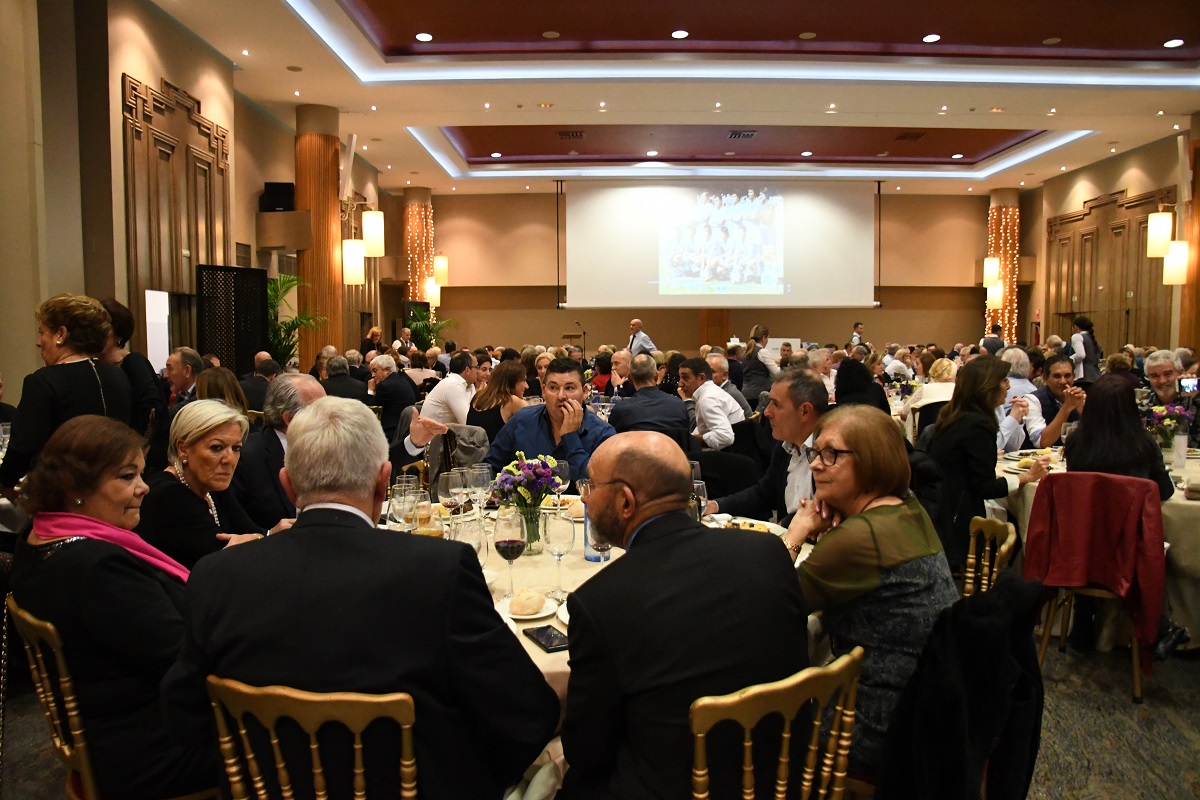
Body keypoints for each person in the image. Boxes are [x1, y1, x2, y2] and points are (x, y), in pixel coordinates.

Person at [162, 397, 559, 798]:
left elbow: (185, 720)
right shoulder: (440, 570)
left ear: (288, 484)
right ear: (384, 481)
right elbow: (528, 714)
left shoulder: (215, 576)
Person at [563, 432, 810, 798]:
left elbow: (586, 750)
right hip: (784, 775)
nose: (584, 497)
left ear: (626, 501)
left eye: (590, 486)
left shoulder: (600, 601)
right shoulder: (769, 551)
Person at [10, 416, 221, 799]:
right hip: (146, 749)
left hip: (109, 728)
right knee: (298, 738)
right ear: (75, 486)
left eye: (140, 474)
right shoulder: (96, 568)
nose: (144, 488)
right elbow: (184, 659)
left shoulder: (38, 537)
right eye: (127, 477)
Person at [780, 405, 958, 774]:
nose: (816, 465)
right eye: (816, 452)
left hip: (879, 723)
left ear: (872, 461)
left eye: (831, 454)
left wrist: (797, 532)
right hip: (932, 707)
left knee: (761, 721)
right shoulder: (908, 507)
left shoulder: (860, 536)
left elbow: (771, 602)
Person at [0, 293, 133, 492]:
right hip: (112, 491)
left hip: (64, 495)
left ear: (61, 334)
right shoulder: (118, 377)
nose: (38, 341)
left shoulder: (43, 382)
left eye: (42, 332)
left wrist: (4, 482)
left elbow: (23, 449)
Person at [924, 356, 1048, 568]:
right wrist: (1025, 477)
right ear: (988, 387)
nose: (1008, 386)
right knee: (1022, 530)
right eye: (1004, 380)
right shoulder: (978, 425)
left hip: (941, 512)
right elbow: (985, 487)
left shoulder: (954, 415)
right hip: (960, 525)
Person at [135, 400, 283, 568]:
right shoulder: (168, 495)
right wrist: (261, 538)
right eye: (216, 448)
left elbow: (247, 531)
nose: (229, 460)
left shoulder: (211, 483)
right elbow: (226, 558)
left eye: (236, 448)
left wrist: (270, 533)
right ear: (183, 449)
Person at [706, 369, 826, 523]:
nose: (767, 412)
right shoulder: (786, 447)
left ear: (805, 411)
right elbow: (764, 493)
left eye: (776, 404)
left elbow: (826, 513)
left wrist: (786, 525)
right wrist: (716, 505)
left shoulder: (830, 455)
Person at [485, 358, 615, 480]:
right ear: (543, 390)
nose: (561, 396)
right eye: (553, 388)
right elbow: (489, 469)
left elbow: (596, 483)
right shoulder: (522, 420)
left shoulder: (602, 433)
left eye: (569, 388)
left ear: (585, 391)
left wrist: (570, 436)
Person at [232, 374, 326, 530]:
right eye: (319, 411)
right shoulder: (245, 456)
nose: (329, 416)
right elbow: (233, 522)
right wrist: (269, 535)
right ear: (289, 418)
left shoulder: (332, 449)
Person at [98, 297, 163, 442]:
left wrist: (139, 446)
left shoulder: (133, 362)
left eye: (104, 329)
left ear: (118, 334)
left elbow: (152, 410)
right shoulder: (96, 367)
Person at [606, 354, 690, 445]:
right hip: (673, 452)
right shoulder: (679, 405)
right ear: (656, 376)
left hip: (637, 453)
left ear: (630, 378)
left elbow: (611, 442)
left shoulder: (621, 409)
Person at [677, 357, 745, 450]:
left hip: (729, 452)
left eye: (685, 378)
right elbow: (702, 429)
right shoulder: (709, 392)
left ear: (701, 378)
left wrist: (691, 440)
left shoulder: (708, 398)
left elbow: (725, 437)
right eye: (680, 378)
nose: (680, 384)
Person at [1021, 354, 1085, 448]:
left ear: (1074, 377)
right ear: (1045, 378)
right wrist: (1066, 407)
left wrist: (1084, 412)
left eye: (1067, 376)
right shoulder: (1033, 400)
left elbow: (1097, 438)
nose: (1063, 381)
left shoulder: (1082, 399)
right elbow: (1042, 442)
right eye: (1057, 376)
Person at [467, 359, 528, 443]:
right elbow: (532, 424)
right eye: (523, 381)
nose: (526, 386)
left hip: (473, 450)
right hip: (495, 450)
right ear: (512, 382)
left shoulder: (478, 396)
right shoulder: (511, 401)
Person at [899, 357, 957, 441]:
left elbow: (904, 412)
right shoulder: (960, 390)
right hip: (956, 439)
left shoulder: (925, 389)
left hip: (927, 441)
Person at [422, 351, 480, 426]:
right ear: (467, 370)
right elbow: (468, 422)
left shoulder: (469, 385)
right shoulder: (453, 385)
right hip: (432, 432)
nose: (478, 371)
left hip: (446, 431)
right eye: (477, 367)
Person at [368, 353, 418, 440]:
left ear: (387, 370)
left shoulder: (385, 386)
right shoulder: (403, 380)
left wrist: (370, 390)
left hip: (391, 433)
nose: (372, 375)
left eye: (375, 371)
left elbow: (371, 409)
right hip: (406, 430)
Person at [741, 324, 782, 407]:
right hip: (760, 395)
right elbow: (776, 373)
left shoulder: (744, 353)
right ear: (764, 338)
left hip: (745, 394)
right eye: (767, 338)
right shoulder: (762, 352)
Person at [706, 353, 753, 417]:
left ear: (725, 375)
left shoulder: (728, 393)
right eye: (705, 372)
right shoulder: (719, 390)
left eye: (712, 372)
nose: (706, 376)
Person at [1070, 315, 1102, 389]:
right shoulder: (1094, 341)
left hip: (1083, 377)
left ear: (1075, 327)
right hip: (1096, 376)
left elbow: (1080, 354)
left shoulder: (1077, 336)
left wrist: (1068, 360)